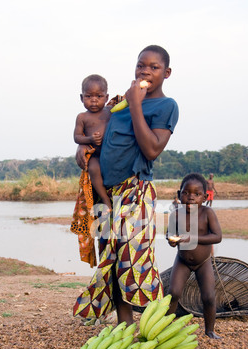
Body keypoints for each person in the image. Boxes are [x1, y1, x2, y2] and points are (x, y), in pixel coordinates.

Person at [73, 45, 179, 326]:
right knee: (112, 260)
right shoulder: (118, 104)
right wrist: (83, 152)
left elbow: (152, 149)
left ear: (166, 73)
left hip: (135, 191)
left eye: (153, 67)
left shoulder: (165, 106)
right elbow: (95, 137)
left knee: (136, 261)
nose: (145, 70)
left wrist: (135, 104)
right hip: (105, 194)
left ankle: (155, 330)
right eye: (140, 65)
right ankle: (124, 329)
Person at [166, 172, 222, 339]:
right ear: (179, 194)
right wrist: (172, 240)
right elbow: (169, 234)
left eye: (196, 194)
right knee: (173, 293)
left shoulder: (207, 213)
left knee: (209, 296)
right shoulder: (175, 214)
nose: (191, 197)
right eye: (186, 193)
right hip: (183, 261)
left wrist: (194, 238)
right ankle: (165, 327)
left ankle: (210, 330)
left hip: (203, 262)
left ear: (204, 197)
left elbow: (217, 236)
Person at [73, 74, 112, 212]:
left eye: (99, 96)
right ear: (81, 97)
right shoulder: (82, 117)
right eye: (89, 96)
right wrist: (89, 139)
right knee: (94, 169)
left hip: (110, 154)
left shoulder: (111, 111)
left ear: (106, 98)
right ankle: (105, 199)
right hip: (95, 154)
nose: (94, 101)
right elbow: (77, 137)